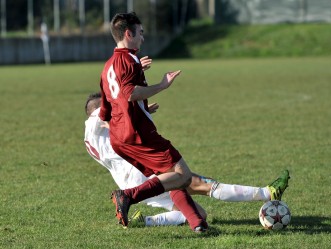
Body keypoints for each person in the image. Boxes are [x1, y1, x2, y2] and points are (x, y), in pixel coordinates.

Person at [84, 92, 291, 227]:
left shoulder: (89, 138)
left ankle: (144, 222)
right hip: (142, 172)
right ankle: (267, 192)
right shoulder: (95, 118)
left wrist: (141, 112)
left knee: (198, 213)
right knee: (198, 183)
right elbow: (112, 118)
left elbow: (118, 125)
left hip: (130, 180)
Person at [98, 12, 207, 232]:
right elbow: (129, 94)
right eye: (140, 33)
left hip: (120, 136)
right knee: (182, 175)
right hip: (138, 133)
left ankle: (198, 223)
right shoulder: (127, 60)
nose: (143, 38)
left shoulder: (109, 66)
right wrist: (162, 85)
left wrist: (143, 109)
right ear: (128, 33)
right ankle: (128, 196)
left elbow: (107, 109)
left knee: (166, 176)